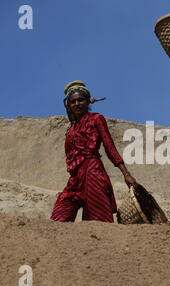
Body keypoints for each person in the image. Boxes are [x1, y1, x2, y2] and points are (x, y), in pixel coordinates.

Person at [51, 80, 137, 222]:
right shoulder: (71, 129)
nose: (77, 104)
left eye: (81, 100)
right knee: (59, 216)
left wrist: (126, 174)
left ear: (88, 102)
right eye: (73, 102)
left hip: (93, 172)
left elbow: (110, 148)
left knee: (97, 220)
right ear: (69, 105)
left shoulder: (96, 119)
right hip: (75, 178)